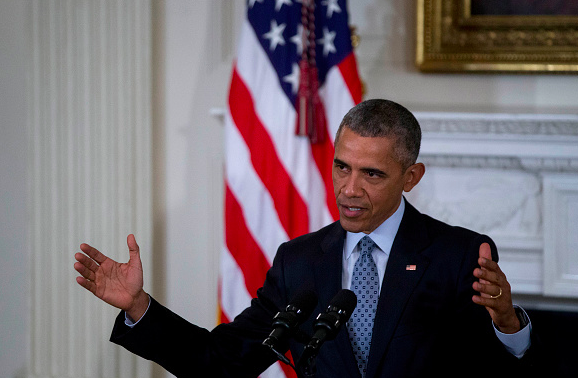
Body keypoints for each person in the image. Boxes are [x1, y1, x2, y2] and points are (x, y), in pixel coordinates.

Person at [74, 99, 541, 378]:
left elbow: (491, 373)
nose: (349, 189)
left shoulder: (458, 255)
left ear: (411, 177)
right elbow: (223, 364)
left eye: (372, 174)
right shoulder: (298, 261)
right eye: (342, 166)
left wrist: (506, 324)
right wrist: (139, 307)